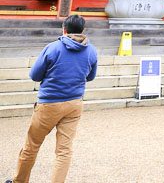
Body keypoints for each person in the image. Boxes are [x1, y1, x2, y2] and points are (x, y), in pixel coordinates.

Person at [7, 14, 98, 183]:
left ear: (64, 29)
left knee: (31, 146)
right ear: (82, 30)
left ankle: (19, 181)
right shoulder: (91, 50)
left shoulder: (53, 47)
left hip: (49, 103)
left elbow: (35, 75)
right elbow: (91, 77)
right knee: (64, 150)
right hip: (74, 104)